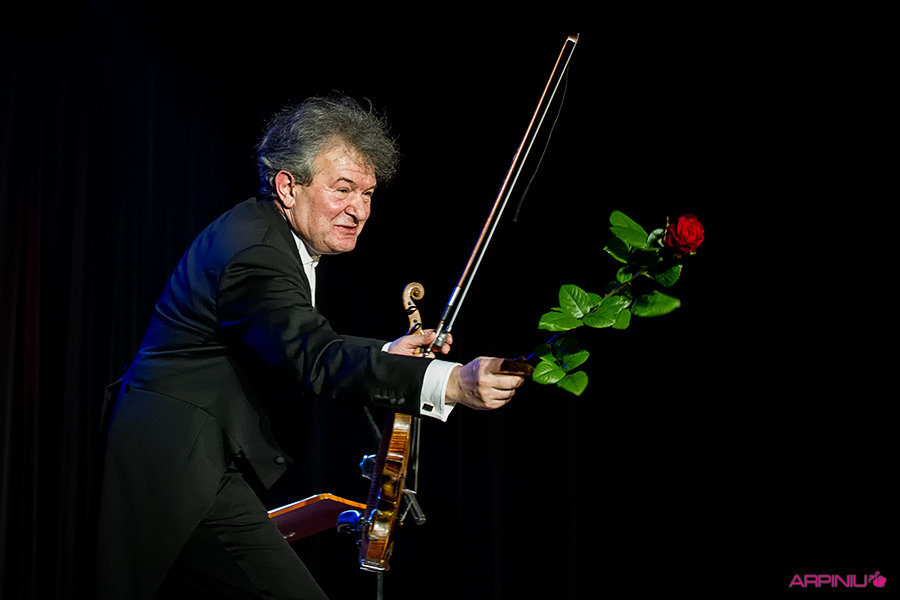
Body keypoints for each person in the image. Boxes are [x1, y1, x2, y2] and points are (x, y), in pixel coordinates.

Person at [95, 96, 528, 600]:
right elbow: (316, 356)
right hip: (170, 465)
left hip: (199, 464)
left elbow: (296, 341)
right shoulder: (255, 251)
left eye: (367, 193)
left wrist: (387, 352)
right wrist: (452, 382)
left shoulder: (269, 235)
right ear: (287, 186)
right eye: (342, 189)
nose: (359, 210)